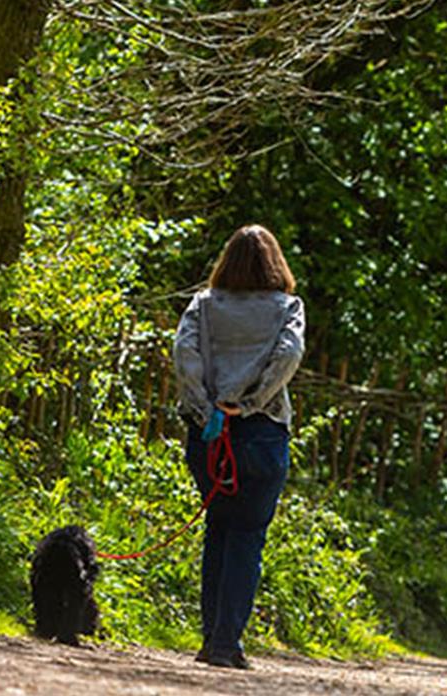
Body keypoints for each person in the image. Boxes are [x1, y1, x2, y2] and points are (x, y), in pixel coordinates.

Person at [172, 224, 306, 670]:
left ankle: (212, 638)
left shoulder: (203, 305)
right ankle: (227, 643)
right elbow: (288, 355)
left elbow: (183, 353)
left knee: (219, 529)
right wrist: (250, 403)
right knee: (247, 536)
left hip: (208, 432)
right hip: (262, 431)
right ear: (276, 263)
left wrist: (204, 405)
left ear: (226, 260)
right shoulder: (288, 307)